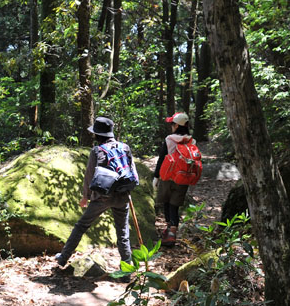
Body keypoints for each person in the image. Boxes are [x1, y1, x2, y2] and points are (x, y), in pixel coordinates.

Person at [53, 116, 139, 272]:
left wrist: (85, 196)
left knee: (81, 226)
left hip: (102, 197)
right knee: (123, 233)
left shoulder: (97, 150)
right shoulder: (125, 147)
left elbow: (89, 175)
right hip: (122, 196)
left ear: (97, 135)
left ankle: (63, 258)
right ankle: (127, 269)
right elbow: (133, 171)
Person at [153, 112, 194, 247]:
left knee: (166, 203)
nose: (171, 126)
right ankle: (173, 233)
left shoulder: (169, 139)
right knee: (174, 206)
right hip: (183, 178)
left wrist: (156, 176)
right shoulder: (192, 140)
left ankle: (169, 232)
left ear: (177, 125)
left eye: (172, 124)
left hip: (168, 176)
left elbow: (162, 158)